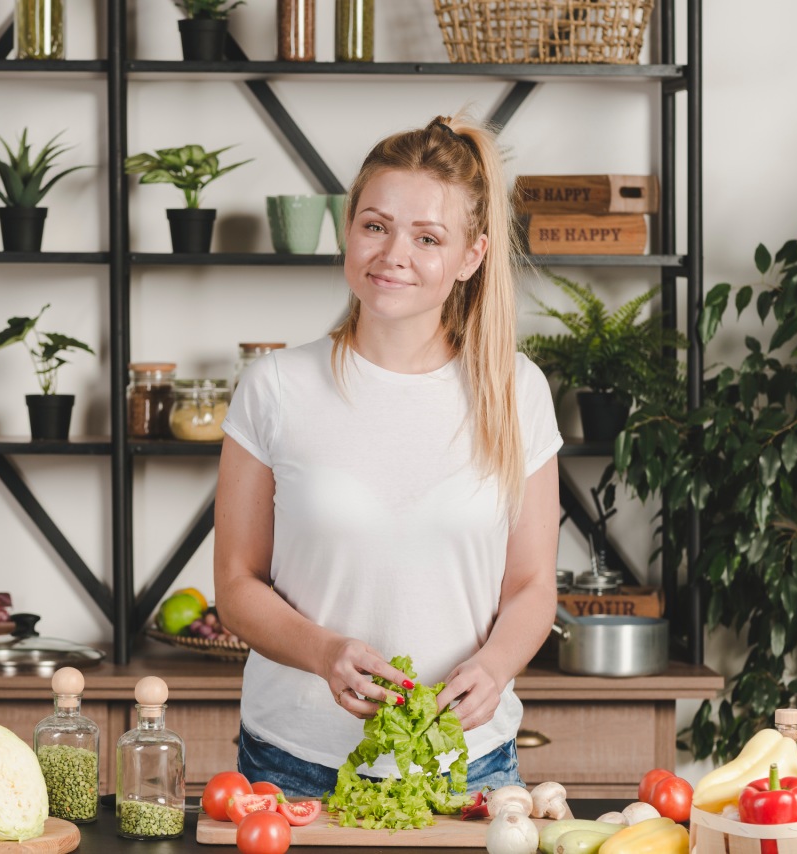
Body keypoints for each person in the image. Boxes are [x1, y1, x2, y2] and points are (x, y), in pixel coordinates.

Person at [213, 112, 563, 798]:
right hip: (294, 765)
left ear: (471, 256)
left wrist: (493, 668)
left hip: (467, 766)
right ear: (348, 232)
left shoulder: (516, 390)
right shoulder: (276, 387)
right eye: (375, 225)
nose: (393, 253)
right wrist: (324, 652)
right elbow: (236, 585)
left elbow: (532, 587)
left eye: (427, 237)